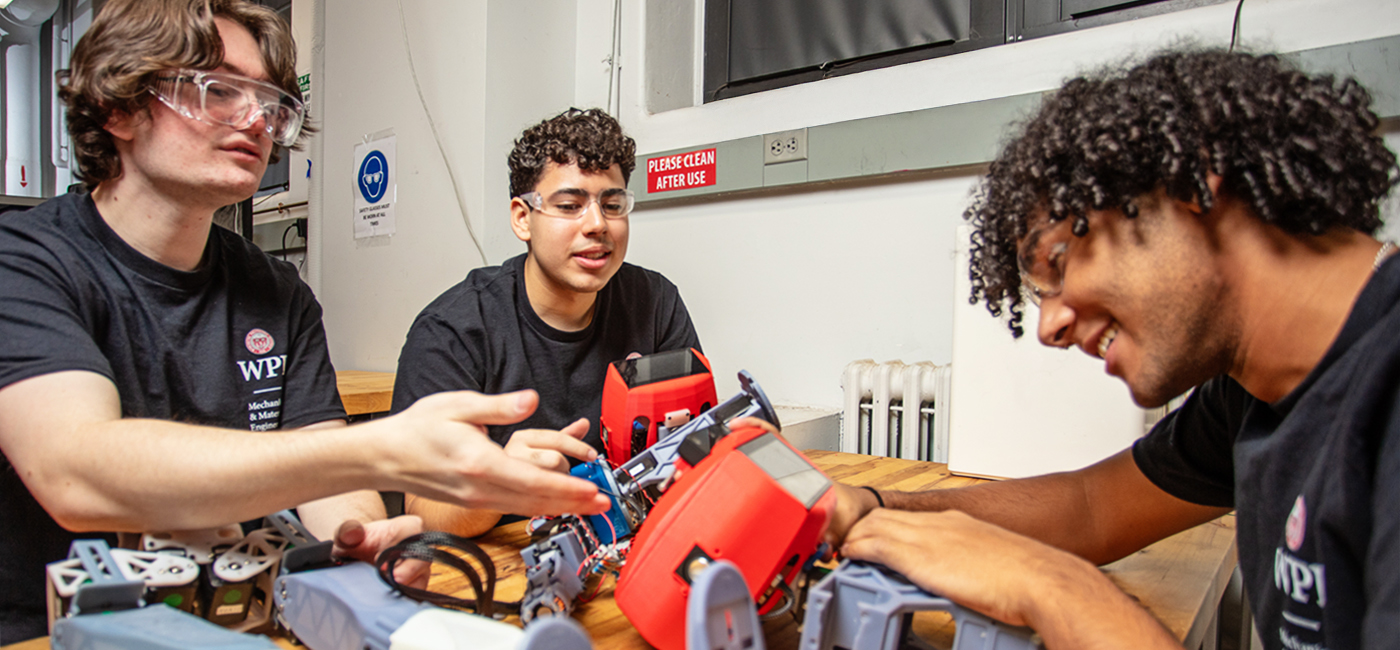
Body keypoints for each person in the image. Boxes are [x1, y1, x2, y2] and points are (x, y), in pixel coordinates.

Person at [0, 1, 606, 643]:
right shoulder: (27, 262)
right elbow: (75, 473)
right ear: (117, 106)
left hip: (242, 622)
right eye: (219, 90)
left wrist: (362, 536)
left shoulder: (277, 291)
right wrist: (382, 449)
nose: (256, 119)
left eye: (270, 102)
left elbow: (327, 483)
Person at [825, 49, 1399, 649]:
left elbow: (1075, 538)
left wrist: (1051, 586)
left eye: (1060, 262)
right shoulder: (1253, 396)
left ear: (1192, 182)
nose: (1048, 328)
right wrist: (873, 508)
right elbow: (1091, 509)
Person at [391, 108, 702, 536]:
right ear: (523, 218)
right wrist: (499, 483)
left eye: (612, 205)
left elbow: (693, 442)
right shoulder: (452, 332)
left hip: (628, 541)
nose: (597, 224)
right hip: (504, 554)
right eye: (570, 206)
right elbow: (423, 512)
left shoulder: (655, 303)